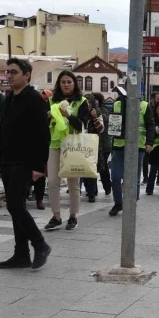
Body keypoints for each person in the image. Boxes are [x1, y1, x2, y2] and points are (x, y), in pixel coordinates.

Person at [0, 58, 51, 270]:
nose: (9, 76)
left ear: (27, 75)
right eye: (7, 72)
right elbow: (3, 132)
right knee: (16, 208)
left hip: (25, 162)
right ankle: (21, 254)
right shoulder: (8, 100)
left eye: (13, 72)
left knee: (15, 205)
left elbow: (43, 136)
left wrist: (38, 166)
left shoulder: (34, 100)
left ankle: (40, 244)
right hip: (8, 161)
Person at [44, 71, 90, 231]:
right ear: (59, 84)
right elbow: (42, 122)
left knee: (73, 183)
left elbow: (82, 125)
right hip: (55, 144)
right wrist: (48, 116)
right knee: (53, 183)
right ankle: (56, 216)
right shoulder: (51, 100)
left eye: (69, 82)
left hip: (73, 145)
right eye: (63, 82)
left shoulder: (82, 102)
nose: (66, 85)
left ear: (74, 84)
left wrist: (68, 115)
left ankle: (73, 216)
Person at [108, 86, 156, 216]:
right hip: (119, 146)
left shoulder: (144, 106)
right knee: (116, 176)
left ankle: (131, 203)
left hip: (137, 147)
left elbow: (150, 125)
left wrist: (149, 143)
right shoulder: (117, 104)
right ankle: (118, 203)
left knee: (133, 177)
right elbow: (112, 125)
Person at [86, 92, 112, 198]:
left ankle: (107, 186)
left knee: (102, 167)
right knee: (93, 167)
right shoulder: (86, 112)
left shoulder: (102, 110)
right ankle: (93, 190)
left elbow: (104, 122)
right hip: (93, 143)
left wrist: (96, 115)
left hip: (104, 144)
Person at [30, 89, 53, 210]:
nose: (43, 97)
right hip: (28, 142)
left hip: (41, 143)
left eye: (45, 95)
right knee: (26, 172)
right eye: (42, 95)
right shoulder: (32, 105)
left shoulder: (47, 107)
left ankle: (39, 199)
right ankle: (24, 196)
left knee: (40, 174)